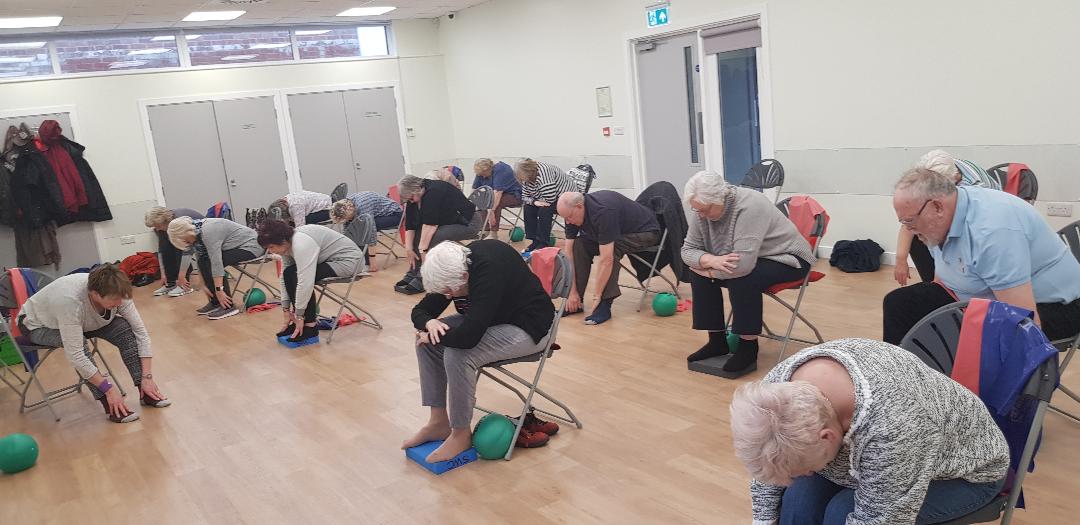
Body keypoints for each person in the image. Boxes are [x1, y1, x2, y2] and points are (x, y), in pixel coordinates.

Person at [730, 338, 1008, 525]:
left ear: (827, 435)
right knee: (796, 502)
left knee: (840, 513)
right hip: (876, 458)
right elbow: (770, 469)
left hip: (963, 474)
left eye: (803, 467)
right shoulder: (776, 391)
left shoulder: (896, 422)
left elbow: (881, 519)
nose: (804, 474)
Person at [883, 167, 1080, 345]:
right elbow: (940, 284)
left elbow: (1024, 323)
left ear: (937, 207)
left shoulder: (992, 232)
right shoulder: (941, 218)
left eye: (909, 221)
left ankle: (948, 383)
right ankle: (903, 380)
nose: (908, 229)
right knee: (899, 304)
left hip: (1055, 307)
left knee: (969, 339)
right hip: (984, 299)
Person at [401, 240, 557, 462]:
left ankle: (461, 433)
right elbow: (420, 311)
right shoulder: (452, 269)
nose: (446, 297)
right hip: (491, 321)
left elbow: (468, 338)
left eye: (449, 292)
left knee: (458, 354)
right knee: (427, 343)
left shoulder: (488, 270)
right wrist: (429, 324)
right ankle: (438, 423)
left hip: (530, 327)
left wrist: (436, 332)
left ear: (464, 278)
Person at [680, 171, 815, 376]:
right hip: (737, 258)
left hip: (787, 258)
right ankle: (717, 342)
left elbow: (742, 266)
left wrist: (707, 269)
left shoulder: (750, 205)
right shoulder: (703, 208)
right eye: (696, 210)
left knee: (743, 278)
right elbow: (687, 251)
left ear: (720, 198)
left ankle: (748, 348)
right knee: (699, 274)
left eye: (705, 210)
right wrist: (711, 261)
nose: (700, 215)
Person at [16, 265, 170, 423]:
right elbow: (75, 355)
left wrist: (147, 376)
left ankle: (146, 391)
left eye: (121, 299)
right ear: (94, 294)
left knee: (125, 330)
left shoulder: (119, 292)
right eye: (114, 300)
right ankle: (111, 404)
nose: (119, 303)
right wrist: (108, 388)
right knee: (77, 344)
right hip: (38, 326)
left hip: (83, 322)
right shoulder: (70, 302)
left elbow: (141, 333)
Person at [894, 150, 999, 285]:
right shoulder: (948, 166)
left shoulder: (975, 193)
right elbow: (911, 221)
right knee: (917, 233)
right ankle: (935, 286)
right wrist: (901, 260)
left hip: (983, 237)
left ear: (952, 180)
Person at [556, 190, 659, 325]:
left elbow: (606, 260)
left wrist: (597, 296)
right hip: (619, 231)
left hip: (646, 232)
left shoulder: (603, 211)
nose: (568, 222)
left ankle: (604, 305)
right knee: (578, 246)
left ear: (579, 206)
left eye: (569, 217)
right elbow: (568, 254)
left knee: (612, 249)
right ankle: (576, 303)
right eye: (565, 218)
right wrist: (572, 292)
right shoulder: (571, 215)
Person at [258, 220, 365, 345]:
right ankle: (303, 324)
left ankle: (310, 327)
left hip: (349, 262)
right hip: (330, 260)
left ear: (282, 240)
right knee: (289, 273)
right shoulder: (287, 245)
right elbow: (284, 276)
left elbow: (305, 282)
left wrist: (299, 315)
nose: (271, 251)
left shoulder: (301, 244)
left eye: (271, 247)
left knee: (297, 276)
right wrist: (285, 309)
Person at [395, 174, 482, 295]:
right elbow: (410, 225)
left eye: (411, 198)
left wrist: (422, 250)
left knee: (434, 237)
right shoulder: (414, 197)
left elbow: (430, 225)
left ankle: (424, 275)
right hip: (446, 223)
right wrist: (408, 248)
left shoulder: (434, 192)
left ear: (416, 189)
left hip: (469, 223)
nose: (410, 202)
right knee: (419, 236)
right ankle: (414, 271)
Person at [167, 216, 262, 320]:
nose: (187, 244)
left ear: (185, 233)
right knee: (204, 260)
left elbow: (216, 263)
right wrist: (203, 284)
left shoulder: (208, 231)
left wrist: (219, 290)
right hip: (234, 247)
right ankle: (216, 302)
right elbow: (200, 259)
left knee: (212, 262)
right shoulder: (196, 232)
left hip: (251, 246)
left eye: (185, 241)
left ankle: (228, 306)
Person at [514, 158, 578, 253]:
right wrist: (535, 202)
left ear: (528, 172)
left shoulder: (544, 173)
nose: (522, 180)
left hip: (565, 198)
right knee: (528, 207)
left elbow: (550, 198)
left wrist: (536, 201)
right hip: (544, 198)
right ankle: (535, 240)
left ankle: (543, 242)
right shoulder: (526, 179)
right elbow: (524, 197)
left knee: (545, 210)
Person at [330, 191, 405, 271]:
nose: (348, 220)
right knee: (359, 229)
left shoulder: (363, 206)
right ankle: (360, 260)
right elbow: (348, 229)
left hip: (395, 215)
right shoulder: (346, 206)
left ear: (351, 212)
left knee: (363, 229)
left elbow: (371, 233)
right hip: (377, 216)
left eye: (348, 218)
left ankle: (367, 263)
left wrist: (372, 261)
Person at [144, 206, 203, 297]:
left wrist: (181, 276)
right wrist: (164, 274)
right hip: (184, 239)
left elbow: (185, 250)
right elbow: (161, 250)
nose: (157, 229)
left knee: (178, 247)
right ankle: (171, 283)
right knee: (166, 248)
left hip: (203, 237)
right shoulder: (161, 226)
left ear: (163, 221)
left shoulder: (178, 222)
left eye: (158, 226)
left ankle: (184, 285)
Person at [472, 158, 522, 235]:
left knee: (495, 203)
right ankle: (485, 230)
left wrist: (491, 212)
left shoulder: (501, 169)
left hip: (515, 195)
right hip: (498, 195)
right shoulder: (481, 172)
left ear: (488, 169)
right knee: (481, 200)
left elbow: (498, 193)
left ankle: (493, 233)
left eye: (483, 174)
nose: (483, 177)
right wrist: (474, 203)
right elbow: (475, 189)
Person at [268, 190, 333, 227]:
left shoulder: (295, 205)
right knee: (291, 222)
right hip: (325, 200)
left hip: (328, 208)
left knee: (297, 224)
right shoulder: (286, 199)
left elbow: (300, 227)